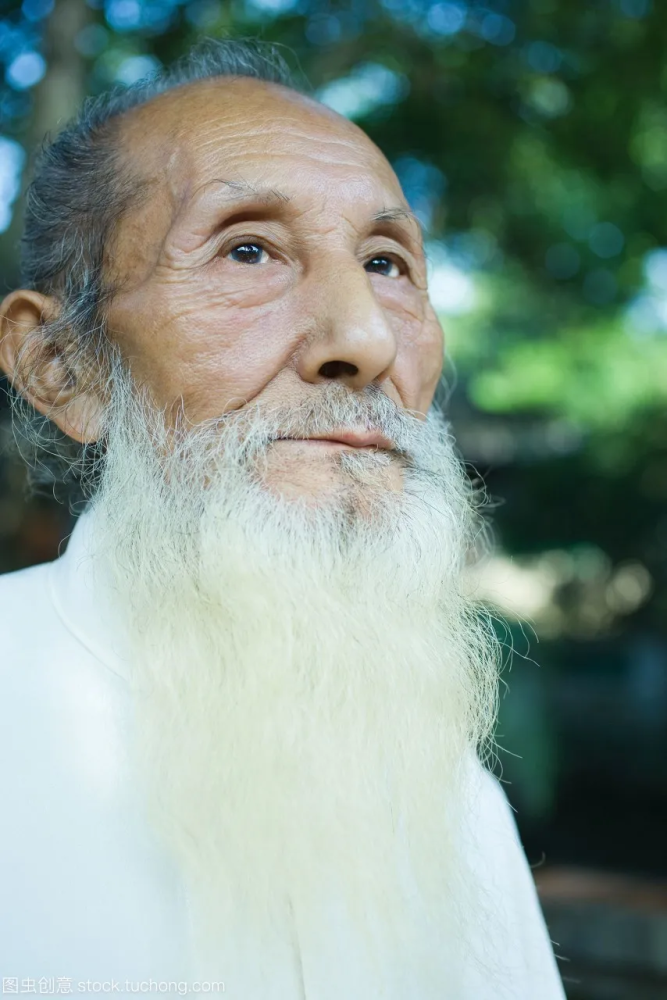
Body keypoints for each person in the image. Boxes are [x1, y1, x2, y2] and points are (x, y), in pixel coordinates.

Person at [0, 39, 565, 999]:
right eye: (247, 249)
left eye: (388, 263)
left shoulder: (451, 795)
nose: (364, 337)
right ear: (64, 367)